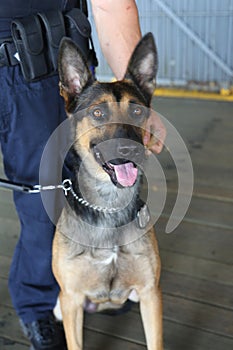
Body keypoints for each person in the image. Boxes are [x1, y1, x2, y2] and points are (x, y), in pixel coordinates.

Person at [0, 0, 166, 349]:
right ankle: (39, 308)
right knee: (41, 205)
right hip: (12, 67)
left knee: (96, 178)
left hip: (67, 41)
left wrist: (136, 95)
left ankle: (113, 273)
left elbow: (112, 5)